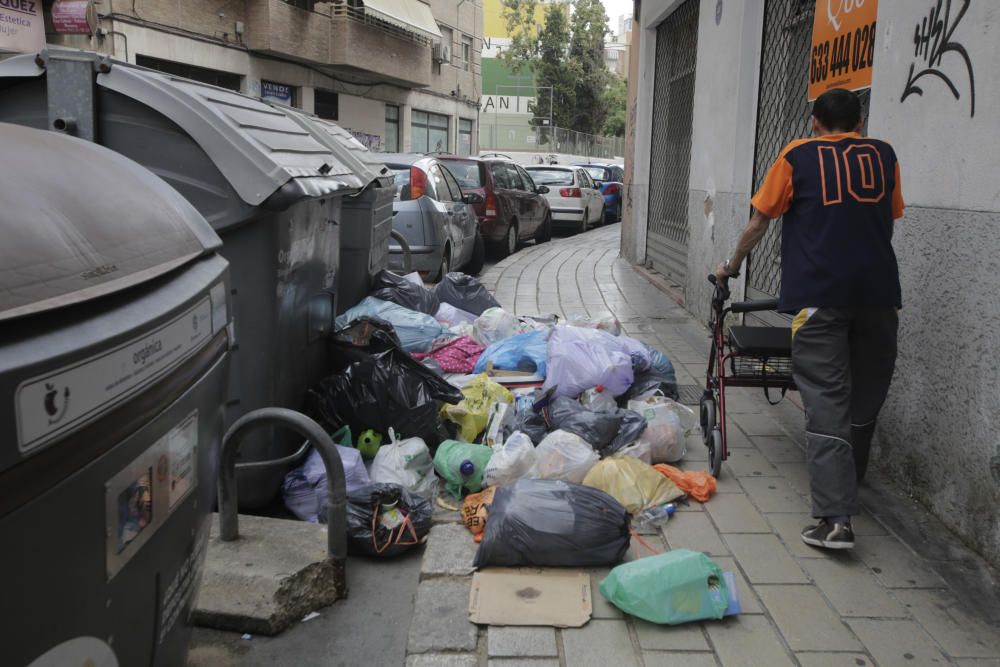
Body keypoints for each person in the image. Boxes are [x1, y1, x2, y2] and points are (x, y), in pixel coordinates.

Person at [714, 88, 904, 550]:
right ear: (859, 122)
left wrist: (732, 266)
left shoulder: (797, 155)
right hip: (880, 296)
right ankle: (849, 482)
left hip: (821, 297)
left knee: (826, 401)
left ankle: (836, 519)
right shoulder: (884, 154)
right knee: (865, 397)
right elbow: (889, 216)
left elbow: (759, 221)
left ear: (815, 121)